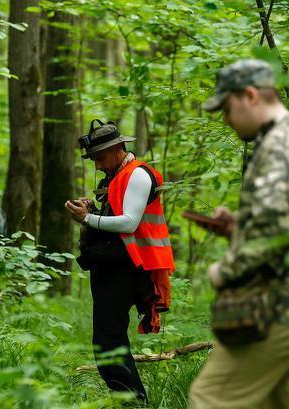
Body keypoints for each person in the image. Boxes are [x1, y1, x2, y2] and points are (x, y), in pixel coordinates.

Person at [188, 59, 289, 408]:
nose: (225, 119)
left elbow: (277, 227)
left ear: (250, 96)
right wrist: (241, 223)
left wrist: (224, 271)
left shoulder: (278, 145)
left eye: (226, 108)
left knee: (211, 398)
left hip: (279, 299)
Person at [65, 119, 175, 405]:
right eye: (93, 159)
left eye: (99, 157)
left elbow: (129, 222)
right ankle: (129, 400)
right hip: (111, 266)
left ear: (117, 148)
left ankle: (133, 401)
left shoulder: (137, 174)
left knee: (108, 341)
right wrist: (91, 208)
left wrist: (86, 218)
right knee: (107, 339)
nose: (97, 165)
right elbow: (114, 215)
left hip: (129, 268)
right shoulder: (116, 175)